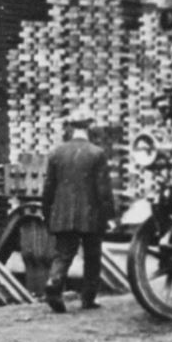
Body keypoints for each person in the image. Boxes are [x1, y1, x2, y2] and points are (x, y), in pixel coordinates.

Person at [41, 108, 116, 313]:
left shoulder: (56, 153)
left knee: (63, 253)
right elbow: (103, 189)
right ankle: (88, 299)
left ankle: (53, 283)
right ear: (88, 127)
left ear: (71, 128)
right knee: (92, 256)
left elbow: (48, 188)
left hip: (63, 213)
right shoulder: (97, 153)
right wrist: (109, 215)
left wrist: (47, 213)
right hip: (91, 214)